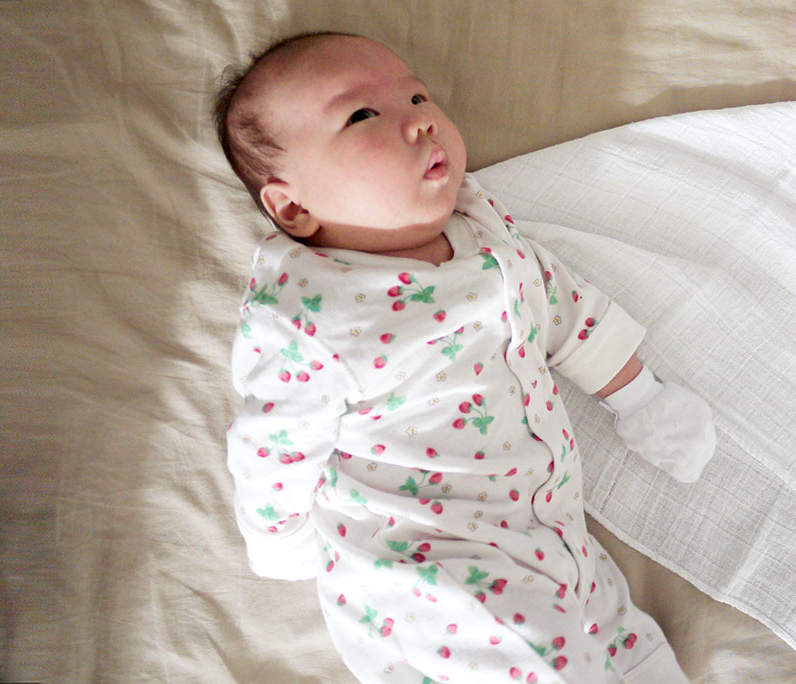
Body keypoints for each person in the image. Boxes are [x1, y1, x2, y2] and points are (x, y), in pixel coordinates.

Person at [215, 31, 715, 684]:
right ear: (293, 205)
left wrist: (640, 398)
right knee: (542, 658)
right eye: (362, 114)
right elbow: (272, 444)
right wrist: (279, 540)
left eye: (417, 96)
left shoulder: (485, 232)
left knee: (629, 651)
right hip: (425, 565)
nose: (419, 120)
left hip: (552, 539)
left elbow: (562, 308)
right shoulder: (312, 314)